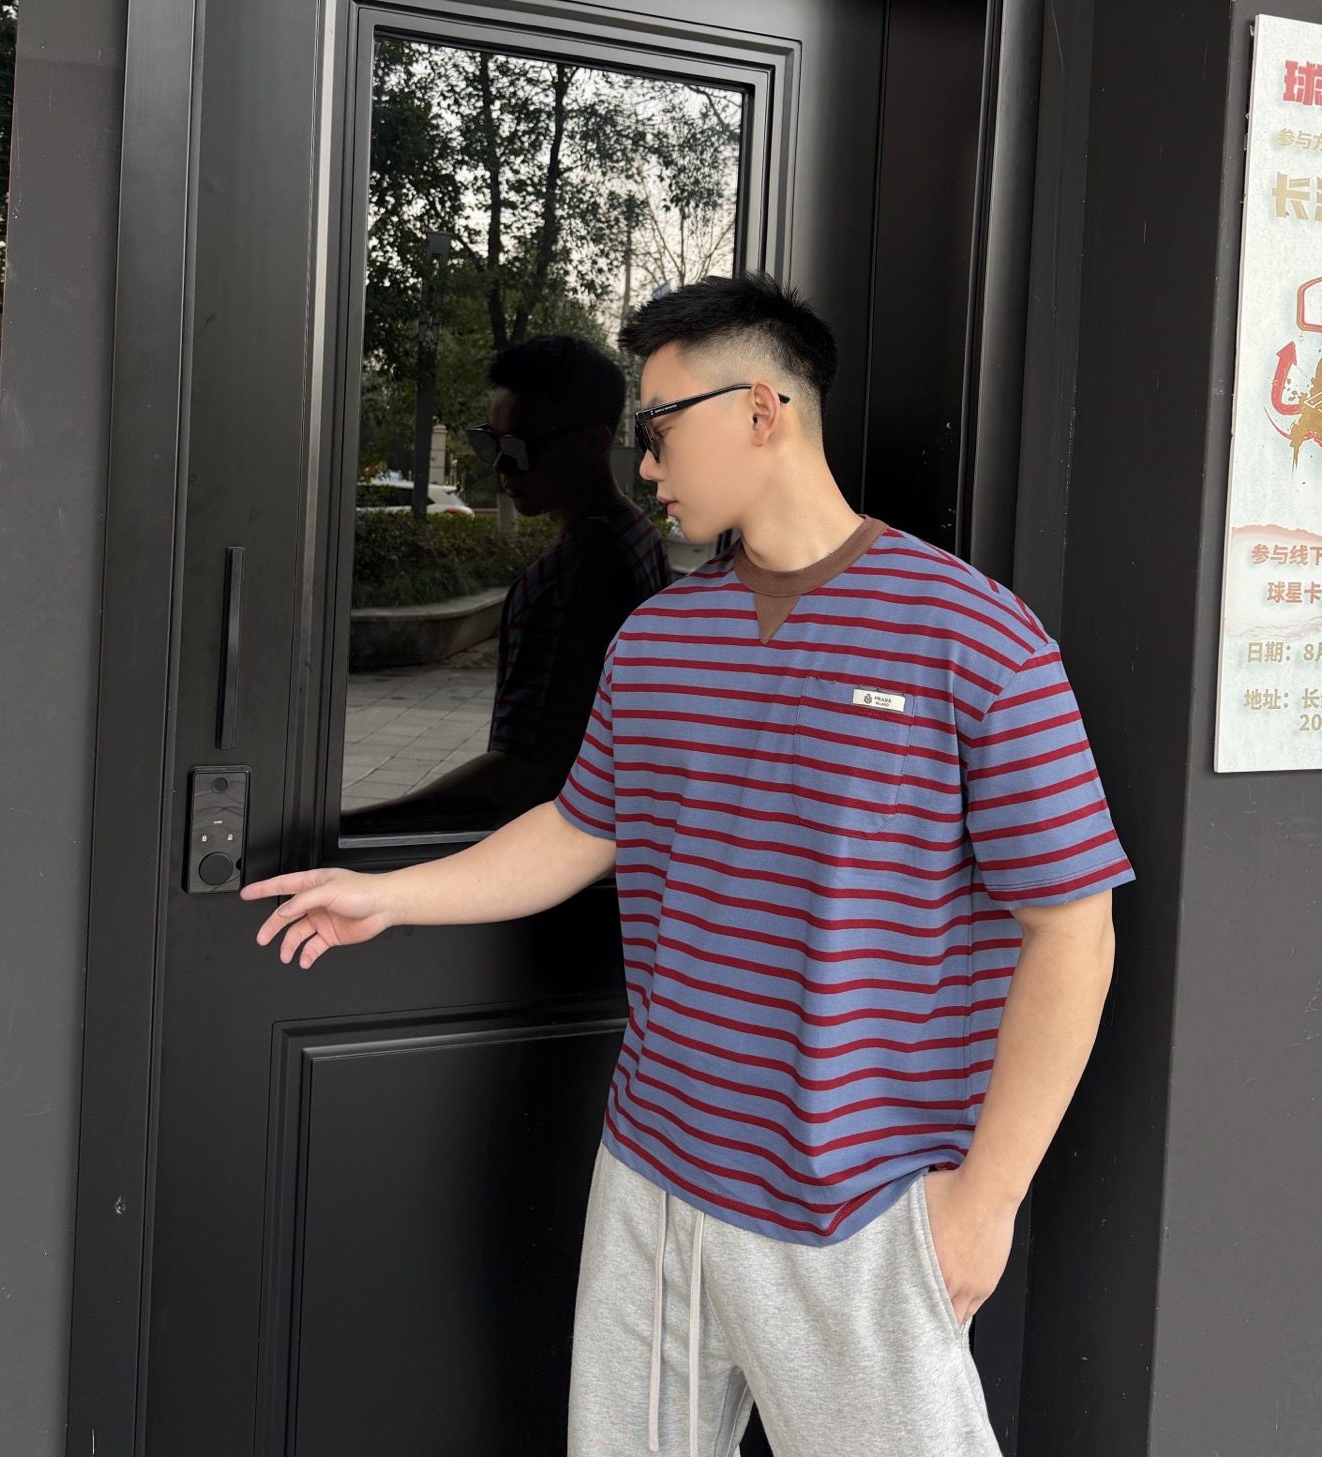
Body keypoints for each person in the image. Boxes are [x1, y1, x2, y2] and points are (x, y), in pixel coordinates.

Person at [243, 273, 1135, 1457]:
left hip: (858, 1198)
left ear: (762, 410)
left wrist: (984, 1203)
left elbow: (1073, 930)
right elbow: (579, 830)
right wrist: (388, 895)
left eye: (660, 426)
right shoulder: (659, 639)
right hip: (653, 1172)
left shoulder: (975, 638)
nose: (645, 463)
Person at [348, 333, 671, 833]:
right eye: (492, 442)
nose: (501, 464)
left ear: (594, 443)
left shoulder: (571, 575)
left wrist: (349, 828)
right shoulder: (638, 535)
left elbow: (520, 776)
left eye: (522, 445)